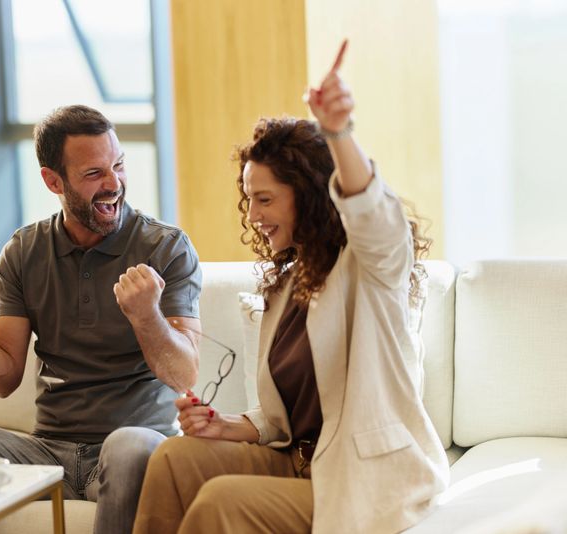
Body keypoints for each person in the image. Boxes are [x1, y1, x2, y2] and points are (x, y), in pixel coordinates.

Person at [132, 40, 449, 534]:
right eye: (248, 200)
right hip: (298, 464)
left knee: (222, 500)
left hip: (366, 478)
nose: (253, 217)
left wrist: (338, 133)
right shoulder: (288, 285)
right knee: (175, 458)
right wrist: (226, 426)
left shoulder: (370, 269)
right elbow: (284, 419)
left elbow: (374, 217)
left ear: (309, 194)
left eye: (264, 199)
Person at [0, 105, 203, 534]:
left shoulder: (166, 248)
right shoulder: (24, 252)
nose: (114, 184)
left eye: (119, 166)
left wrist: (146, 317)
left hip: (134, 443)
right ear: (53, 180)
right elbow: (4, 377)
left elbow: (184, 374)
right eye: (94, 174)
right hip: (48, 450)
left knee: (128, 445)